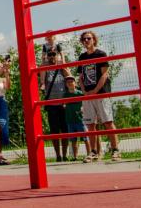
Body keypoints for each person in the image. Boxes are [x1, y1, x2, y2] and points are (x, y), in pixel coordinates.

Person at [77, 31, 117, 161]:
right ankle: (93, 151)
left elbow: (105, 74)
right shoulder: (82, 57)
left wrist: (95, 90)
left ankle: (115, 150)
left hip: (101, 93)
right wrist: (84, 91)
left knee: (107, 122)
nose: (86, 41)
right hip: (88, 95)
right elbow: (80, 77)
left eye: (88, 38)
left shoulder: (101, 54)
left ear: (94, 39)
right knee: (90, 124)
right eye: (84, 39)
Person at [40, 49, 70, 161]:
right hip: (51, 104)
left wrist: (62, 59)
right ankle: (58, 155)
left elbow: (70, 78)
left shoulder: (62, 67)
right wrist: (44, 56)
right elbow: (41, 78)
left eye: (54, 54)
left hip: (63, 103)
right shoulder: (45, 69)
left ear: (58, 55)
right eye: (50, 55)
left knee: (65, 130)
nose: (52, 56)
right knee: (54, 130)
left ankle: (65, 155)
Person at [62, 72, 87, 161]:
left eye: (71, 81)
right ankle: (75, 156)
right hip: (70, 120)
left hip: (80, 120)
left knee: (85, 138)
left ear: (75, 83)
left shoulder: (80, 93)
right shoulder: (65, 95)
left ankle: (89, 154)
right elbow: (63, 104)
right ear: (66, 84)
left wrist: (82, 108)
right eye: (67, 82)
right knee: (73, 140)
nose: (69, 83)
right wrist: (64, 106)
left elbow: (85, 103)